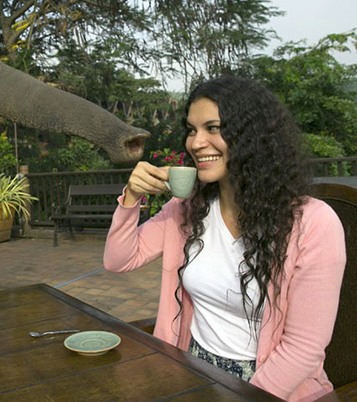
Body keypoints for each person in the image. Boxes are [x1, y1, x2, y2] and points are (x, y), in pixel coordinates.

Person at [104, 75, 346, 401]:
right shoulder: (186, 209)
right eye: (191, 130)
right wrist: (132, 196)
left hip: (272, 388)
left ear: (252, 136)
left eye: (213, 128)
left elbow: (303, 348)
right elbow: (119, 259)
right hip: (192, 373)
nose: (196, 142)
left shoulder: (313, 223)